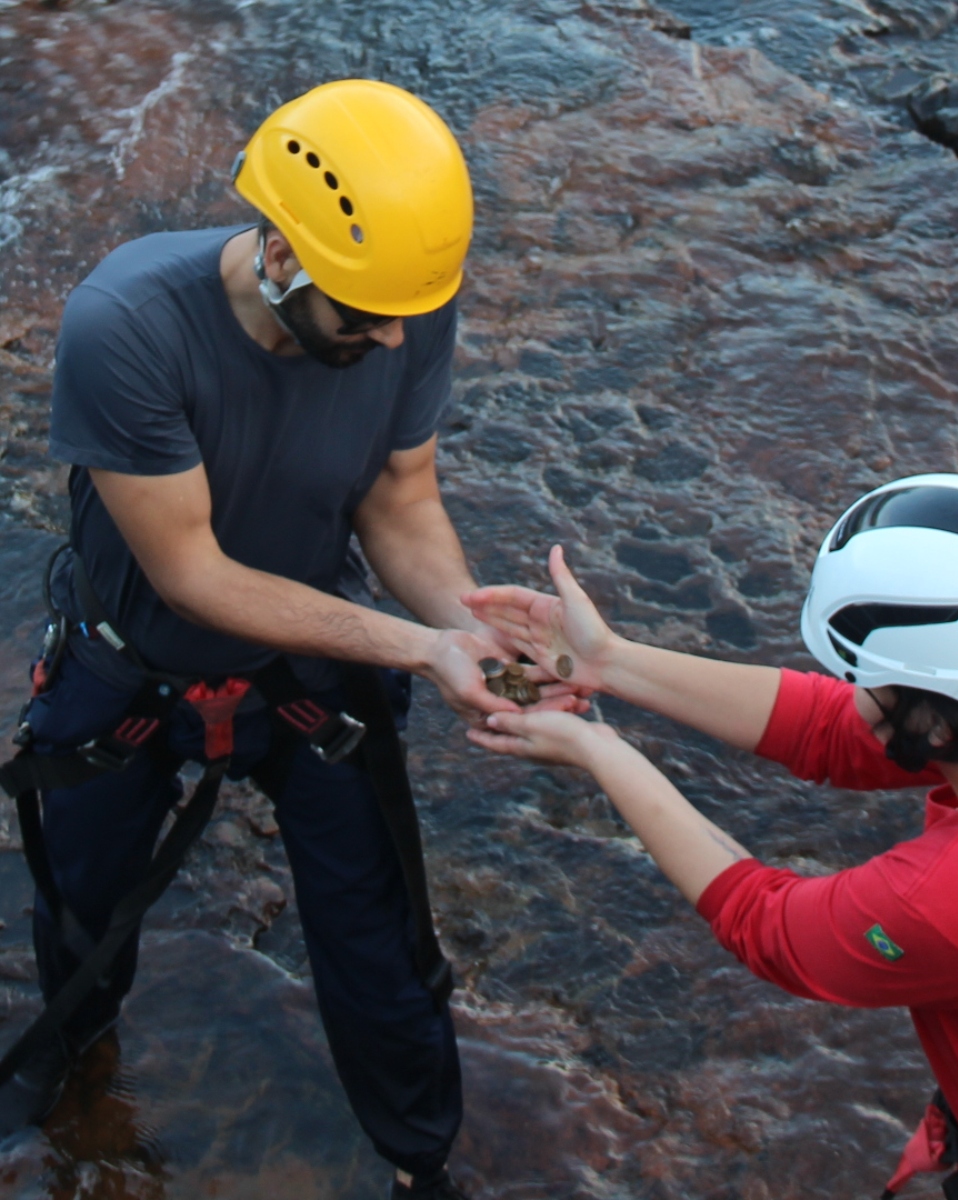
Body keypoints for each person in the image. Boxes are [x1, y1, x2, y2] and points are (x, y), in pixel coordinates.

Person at [4, 79, 578, 1200]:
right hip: (133, 662)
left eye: (408, 309)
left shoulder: (397, 294)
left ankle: (421, 1158)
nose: (399, 335)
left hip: (313, 667)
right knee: (85, 901)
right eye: (365, 316)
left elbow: (401, 499)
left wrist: (469, 620)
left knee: (377, 939)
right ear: (279, 253)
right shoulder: (125, 327)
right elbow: (194, 572)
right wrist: (414, 649)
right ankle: (76, 1067)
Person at [464, 474, 958, 1200]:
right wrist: (611, 663)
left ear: (936, 725)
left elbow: (766, 923)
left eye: (869, 679)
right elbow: (828, 733)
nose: (851, 691)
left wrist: (601, 751)